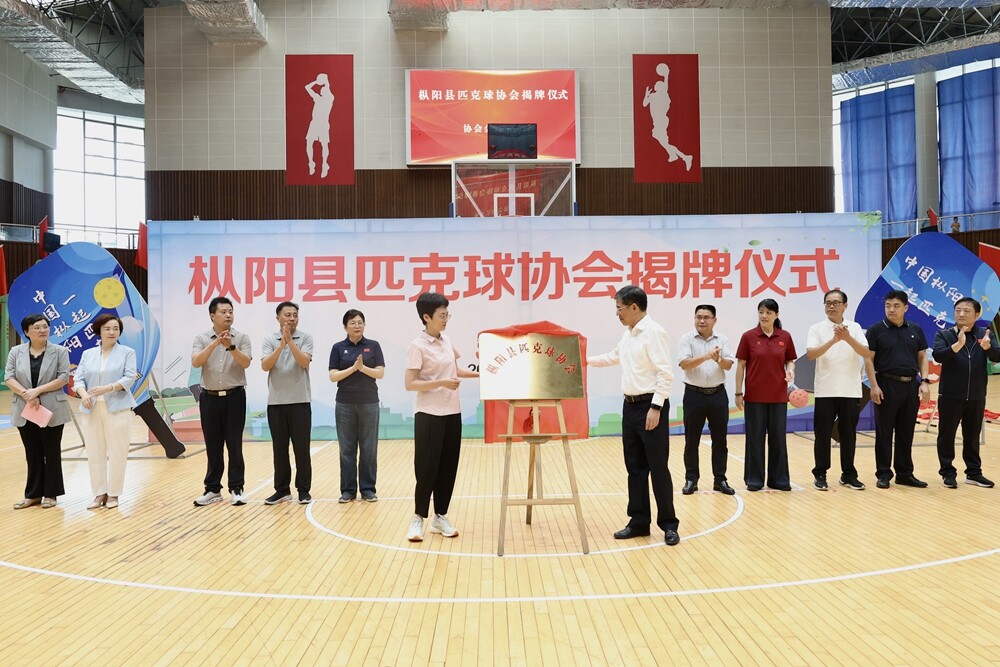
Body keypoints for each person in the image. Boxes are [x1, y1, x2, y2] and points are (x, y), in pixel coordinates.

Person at [587, 285, 680, 546]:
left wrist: (656, 408)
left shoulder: (654, 332)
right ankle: (639, 522)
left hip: (650, 406)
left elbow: (665, 373)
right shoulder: (628, 334)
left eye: (619, 309)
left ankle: (669, 525)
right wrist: (584, 359)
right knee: (635, 468)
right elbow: (613, 357)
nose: (617, 314)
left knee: (658, 467)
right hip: (629, 407)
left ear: (634, 307)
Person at [403, 292, 479, 542]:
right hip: (429, 414)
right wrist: (441, 383)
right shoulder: (417, 346)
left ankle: (440, 516)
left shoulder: (447, 341)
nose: (446, 319)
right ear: (427, 317)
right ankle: (418, 518)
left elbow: (455, 370)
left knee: (448, 467)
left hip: (452, 412)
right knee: (427, 468)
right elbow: (410, 383)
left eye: (447, 315)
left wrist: (481, 374)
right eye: (442, 315)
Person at [931, 297, 999, 489]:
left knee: (972, 435)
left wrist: (989, 348)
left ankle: (974, 473)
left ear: (977, 315)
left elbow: (997, 356)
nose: (961, 314)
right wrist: (957, 345)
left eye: (967, 311)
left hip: (976, 394)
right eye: (958, 310)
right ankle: (947, 472)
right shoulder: (944, 334)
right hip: (950, 394)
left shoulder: (984, 334)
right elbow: (938, 356)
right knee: (946, 435)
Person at [805, 290, 870, 491]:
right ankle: (820, 473)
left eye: (836, 302)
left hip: (850, 390)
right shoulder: (816, 328)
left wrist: (847, 338)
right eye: (828, 303)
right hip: (825, 390)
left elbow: (866, 352)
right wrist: (833, 340)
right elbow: (811, 354)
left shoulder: (855, 327)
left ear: (845, 306)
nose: (831, 306)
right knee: (822, 434)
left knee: (848, 434)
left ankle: (848, 474)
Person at [5, 314, 72, 509]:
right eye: (37, 327)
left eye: (45, 326)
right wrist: (26, 394)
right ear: (26, 332)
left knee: (51, 452)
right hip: (25, 408)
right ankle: (33, 495)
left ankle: (51, 494)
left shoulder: (60, 351)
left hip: (52, 408)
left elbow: (63, 378)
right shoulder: (16, 351)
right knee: (32, 452)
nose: (43, 330)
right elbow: (9, 377)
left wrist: (37, 391)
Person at [866, 290, 931, 489]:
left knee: (906, 431)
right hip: (886, 384)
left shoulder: (915, 329)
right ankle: (884, 474)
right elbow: (868, 359)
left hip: (911, 385)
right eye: (888, 306)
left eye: (896, 306)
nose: (891, 310)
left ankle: (905, 473)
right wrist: (874, 385)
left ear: (905, 308)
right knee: (884, 432)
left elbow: (922, 357)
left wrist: (924, 381)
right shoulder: (876, 330)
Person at [191, 297, 252, 506]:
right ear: (212, 315)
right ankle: (212, 489)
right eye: (223, 312)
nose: (228, 315)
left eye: (230, 312)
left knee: (234, 444)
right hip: (209, 398)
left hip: (235, 396)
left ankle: (237, 488)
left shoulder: (241, 337)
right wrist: (215, 343)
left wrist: (231, 347)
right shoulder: (201, 338)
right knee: (213, 445)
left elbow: (245, 362)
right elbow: (196, 362)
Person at [73, 313, 138, 509]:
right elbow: (78, 379)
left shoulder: (127, 352)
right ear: (99, 331)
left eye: (116, 329)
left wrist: (108, 388)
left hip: (118, 408)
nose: (112, 332)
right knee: (94, 452)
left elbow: (129, 377)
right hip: (91, 409)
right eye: (107, 329)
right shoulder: (88, 354)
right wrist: (84, 394)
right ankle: (99, 493)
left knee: (118, 451)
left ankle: (114, 494)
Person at [735, 298, 797, 492]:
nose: (764, 316)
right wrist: (738, 392)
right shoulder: (748, 336)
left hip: (778, 396)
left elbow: (790, 360)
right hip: (754, 396)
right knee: (755, 438)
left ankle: (779, 479)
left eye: (768, 312)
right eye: (761, 312)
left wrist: (790, 370)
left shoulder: (785, 336)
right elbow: (741, 366)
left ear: (776, 315)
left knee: (778, 439)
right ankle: (754, 479)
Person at [677, 304, 736, 496]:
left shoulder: (722, 339)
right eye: (698, 317)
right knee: (691, 439)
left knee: (720, 439)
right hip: (693, 394)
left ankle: (720, 479)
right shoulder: (686, 339)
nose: (701, 321)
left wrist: (717, 359)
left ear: (714, 320)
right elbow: (684, 364)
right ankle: (691, 479)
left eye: (706, 317)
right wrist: (706, 356)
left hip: (718, 394)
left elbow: (728, 365)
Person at [329, 309, 385, 503]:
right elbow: (333, 376)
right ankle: (348, 490)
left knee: (369, 448)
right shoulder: (338, 347)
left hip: (369, 402)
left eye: (360, 322)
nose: (357, 326)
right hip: (344, 403)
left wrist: (363, 368)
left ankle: (368, 489)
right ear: (345, 327)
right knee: (347, 449)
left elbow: (380, 373)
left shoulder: (373, 345)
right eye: (352, 323)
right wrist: (353, 369)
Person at [261, 301, 314, 505]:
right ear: (278, 318)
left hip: (300, 401)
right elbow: (265, 365)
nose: (292, 318)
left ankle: (303, 490)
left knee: (302, 449)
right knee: (279, 449)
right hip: (276, 403)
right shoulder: (269, 339)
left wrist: (290, 342)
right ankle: (282, 490)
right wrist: (280, 345)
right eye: (287, 315)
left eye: (295, 315)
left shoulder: (305, 338)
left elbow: (304, 362)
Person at [642, 62, 693, 171]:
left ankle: (685, 157)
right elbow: (644, 104)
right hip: (658, 121)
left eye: (658, 84)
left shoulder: (663, 95)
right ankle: (676, 155)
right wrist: (646, 95)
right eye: (656, 84)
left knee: (660, 139)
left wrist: (666, 75)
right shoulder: (653, 96)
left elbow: (666, 86)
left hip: (661, 121)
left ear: (661, 87)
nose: (656, 85)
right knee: (662, 140)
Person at [305, 73, 335, 178]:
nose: (321, 90)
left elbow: (327, 87)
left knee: (324, 145)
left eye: (323, 89)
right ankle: (311, 163)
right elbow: (307, 87)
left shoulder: (329, 99)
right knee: (309, 142)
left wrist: (324, 81)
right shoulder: (318, 98)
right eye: (322, 89)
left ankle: (324, 164)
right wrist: (317, 81)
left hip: (323, 124)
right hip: (314, 123)